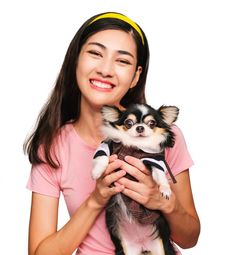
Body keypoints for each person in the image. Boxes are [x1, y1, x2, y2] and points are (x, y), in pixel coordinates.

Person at [24, 12, 200, 255]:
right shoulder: (53, 146)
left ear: (135, 76)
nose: (106, 70)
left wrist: (161, 202)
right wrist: (96, 199)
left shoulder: (162, 136)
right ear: (76, 59)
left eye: (122, 61)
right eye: (96, 53)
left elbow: (190, 237)